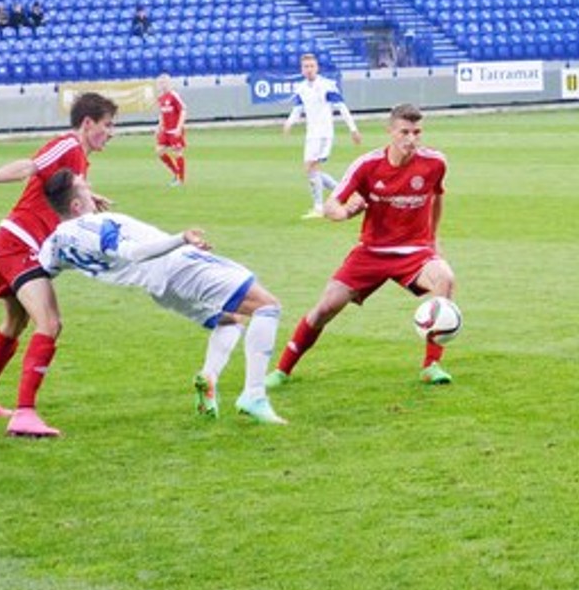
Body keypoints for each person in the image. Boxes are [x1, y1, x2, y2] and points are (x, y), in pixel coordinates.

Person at [38, 169, 287, 424]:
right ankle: (254, 396)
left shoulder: (54, 244)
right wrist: (182, 238)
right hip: (178, 266)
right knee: (267, 307)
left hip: (159, 288)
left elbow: (40, 272)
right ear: (76, 205)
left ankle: (209, 377)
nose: (91, 187)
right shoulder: (94, 226)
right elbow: (134, 253)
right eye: (84, 186)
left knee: (231, 320)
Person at [0, 92, 119, 438]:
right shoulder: (68, 145)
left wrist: (90, 196)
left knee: (14, 323)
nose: (111, 132)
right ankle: (25, 414)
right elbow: (32, 166)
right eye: (107, 125)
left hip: (13, 243)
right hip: (19, 244)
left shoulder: (79, 160)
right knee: (50, 322)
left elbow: (60, 187)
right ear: (87, 123)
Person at [267, 103, 456, 387]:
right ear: (390, 131)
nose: (411, 139)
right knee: (325, 308)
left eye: (417, 132)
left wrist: (433, 239)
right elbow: (332, 205)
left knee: (445, 279)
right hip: (371, 252)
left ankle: (431, 366)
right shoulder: (367, 165)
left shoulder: (435, 162)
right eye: (404, 132)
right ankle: (282, 370)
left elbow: (437, 196)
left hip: (415, 251)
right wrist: (345, 212)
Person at [282, 53, 360, 219]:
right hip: (311, 134)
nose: (309, 69)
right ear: (302, 70)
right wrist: (289, 123)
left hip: (324, 134)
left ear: (317, 68)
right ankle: (345, 193)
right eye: (306, 66)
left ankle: (319, 207)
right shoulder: (302, 88)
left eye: (311, 66)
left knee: (311, 168)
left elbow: (341, 107)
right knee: (311, 171)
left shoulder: (327, 85)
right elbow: (298, 109)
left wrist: (353, 129)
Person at [155, 73, 187, 186]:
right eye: (160, 83)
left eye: (164, 82)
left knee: (177, 153)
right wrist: (159, 126)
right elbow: (162, 113)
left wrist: (179, 127)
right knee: (159, 151)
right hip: (165, 130)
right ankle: (176, 172)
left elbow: (183, 110)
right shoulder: (161, 97)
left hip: (175, 130)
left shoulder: (174, 95)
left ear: (169, 83)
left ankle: (180, 180)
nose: (162, 85)